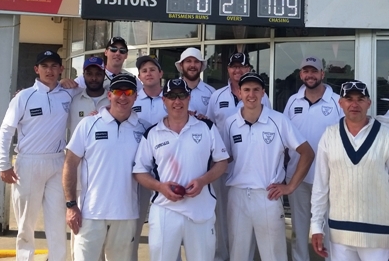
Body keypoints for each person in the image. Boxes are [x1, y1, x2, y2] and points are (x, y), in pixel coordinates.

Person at [0, 50, 81, 261]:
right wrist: (3, 164)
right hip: (28, 162)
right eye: (45, 66)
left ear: (61, 69)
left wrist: (70, 82)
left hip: (57, 161)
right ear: (37, 70)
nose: (49, 70)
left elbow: (93, 83)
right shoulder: (24, 97)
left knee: (57, 220)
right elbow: (6, 130)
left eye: (54, 66)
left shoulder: (68, 93)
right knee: (26, 222)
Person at [133, 78, 229, 261]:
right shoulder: (152, 133)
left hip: (200, 209)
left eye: (182, 96)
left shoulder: (206, 127)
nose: (177, 101)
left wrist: (203, 181)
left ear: (189, 98)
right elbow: (139, 172)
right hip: (164, 210)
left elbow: (222, 162)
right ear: (164, 100)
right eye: (172, 96)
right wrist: (160, 187)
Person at [223, 72, 314, 261]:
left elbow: (307, 152)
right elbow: (225, 158)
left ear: (263, 93)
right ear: (239, 93)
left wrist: (290, 187)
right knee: (237, 254)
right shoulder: (230, 123)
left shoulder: (279, 120)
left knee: (274, 255)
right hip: (237, 195)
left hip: (267, 195)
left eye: (256, 89)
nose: (251, 94)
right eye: (246, 90)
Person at [63, 74, 151, 261]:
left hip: (126, 214)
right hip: (90, 213)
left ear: (135, 96)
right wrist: (71, 205)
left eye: (128, 92)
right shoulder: (88, 124)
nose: (123, 97)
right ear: (109, 95)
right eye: (118, 92)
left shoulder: (144, 129)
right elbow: (70, 163)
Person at [311, 81, 389, 261]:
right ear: (341, 103)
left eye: (360, 99)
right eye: (349, 99)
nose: (354, 104)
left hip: (378, 232)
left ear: (368, 103)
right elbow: (321, 185)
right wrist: (316, 226)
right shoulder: (329, 135)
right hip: (340, 232)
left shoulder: (385, 135)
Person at [206, 52, 271, 261]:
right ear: (228, 69)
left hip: (250, 168)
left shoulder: (262, 96)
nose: (237, 70)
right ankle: (222, 255)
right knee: (222, 216)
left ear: (249, 69)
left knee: (246, 219)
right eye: (233, 66)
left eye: (242, 67)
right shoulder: (217, 96)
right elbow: (209, 127)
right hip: (222, 167)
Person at [283, 56, 342, 261]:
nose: (310, 75)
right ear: (301, 75)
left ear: (322, 74)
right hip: (297, 175)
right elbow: (285, 137)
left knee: (328, 227)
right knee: (299, 228)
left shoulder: (336, 102)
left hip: (329, 177)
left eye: (314, 71)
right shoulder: (292, 101)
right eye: (306, 71)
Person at [67, 56, 109, 260]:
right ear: (83, 75)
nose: (94, 78)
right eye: (89, 73)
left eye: (98, 73)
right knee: (80, 230)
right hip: (79, 175)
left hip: (104, 175)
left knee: (104, 231)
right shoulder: (72, 100)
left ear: (104, 75)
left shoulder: (112, 101)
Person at [131, 55, 167, 261]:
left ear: (161, 73)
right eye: (144, 71)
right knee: (134, 226)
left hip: (167, 173)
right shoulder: (132, 98)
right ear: (139, 76)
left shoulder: (172, 98)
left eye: (153, 69)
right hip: (140, 172)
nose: (149, 73)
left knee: (166, 227)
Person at [61, 36, 142, 91]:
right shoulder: (91, 76)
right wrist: (61, 82)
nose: (117, 53)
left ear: (126, 55)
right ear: (106, 52)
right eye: (113, 49)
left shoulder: (132, 79)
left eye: (122, 50)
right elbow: (69, 88)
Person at [175, 47, 215, 116]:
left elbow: (214, 121)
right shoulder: (170, 90)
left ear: (201, 65)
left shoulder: (212, 93)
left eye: (196, 61)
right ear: (181, 65)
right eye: (188, 61)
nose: (193, 65)